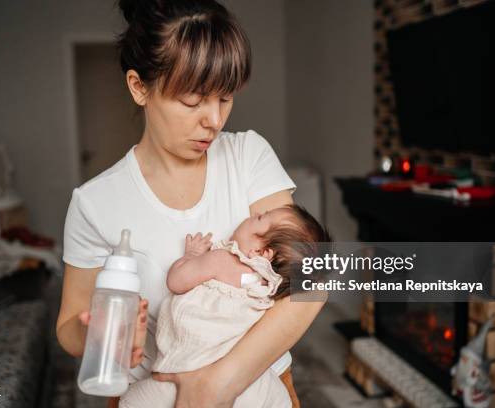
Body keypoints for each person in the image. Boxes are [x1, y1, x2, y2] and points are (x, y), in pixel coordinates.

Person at [56, 0, 327, 407]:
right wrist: (96, 332)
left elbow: (313, 278)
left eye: (225, 98)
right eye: (193, 101)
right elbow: (67, 328)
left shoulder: (247, 156)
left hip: (256, 384)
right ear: (139, 87)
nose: (214, 120)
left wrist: (217, 383)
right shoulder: (94, 202)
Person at [120, 205, 330, 407]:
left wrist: (192, 256)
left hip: (185, 369)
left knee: (131, 401)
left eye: (260, 218)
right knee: (279, 400)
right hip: (248, 382)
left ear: (261, 251)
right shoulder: (270, 287)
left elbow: (176, 281)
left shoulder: (222, 260)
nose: (255, 212)